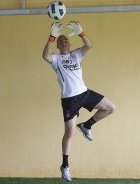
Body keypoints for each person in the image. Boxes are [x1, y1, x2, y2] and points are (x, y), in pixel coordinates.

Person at [42, 22, 116, 182]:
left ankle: (86, 125)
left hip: (85, 93)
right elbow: (45, 56)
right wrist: (51, 36)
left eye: (65, 40)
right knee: (69, 133)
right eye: (60, 41)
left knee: (110, 108)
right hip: (69, 99)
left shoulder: (76, 54)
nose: (63, 42)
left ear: (69, 43)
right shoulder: (55, 59)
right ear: (57, 45)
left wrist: (81, 33)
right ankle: (65, 166)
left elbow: (89, 45)